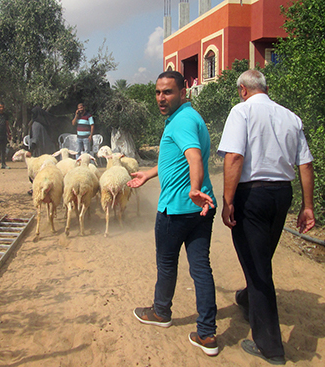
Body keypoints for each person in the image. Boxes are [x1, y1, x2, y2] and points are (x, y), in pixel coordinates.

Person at [218, 69, 315, 365]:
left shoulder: (241, 112)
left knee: (260, 270)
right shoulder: (291, 117)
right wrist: (307, 205)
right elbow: (306, 164)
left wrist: (228, 201)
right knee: (261, 257)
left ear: (243, 90)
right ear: (265, 88)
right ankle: (248, 299)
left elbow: (234, 157)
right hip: (281, 195)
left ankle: (270, 347)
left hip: (252, 197)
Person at [128, 71, 219, 357]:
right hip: (201, 209)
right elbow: (178, 160)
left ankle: (161, 312)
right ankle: (206, 333)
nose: (161, 98)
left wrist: (193, 188)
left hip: (176, 210)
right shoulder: (192, 118)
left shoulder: (180, 122)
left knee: (167, 265)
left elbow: (192, 156)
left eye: (167, 92)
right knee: (201, 269)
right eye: (157, 92)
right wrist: (149, 174)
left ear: (184, 93)